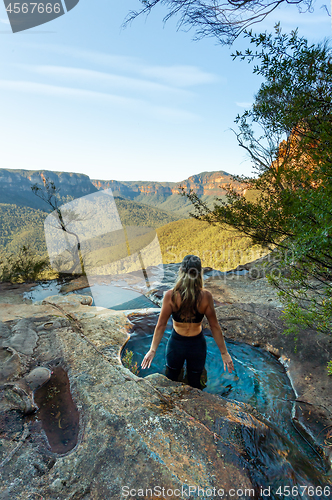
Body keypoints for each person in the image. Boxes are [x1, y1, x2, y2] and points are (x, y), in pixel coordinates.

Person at [141, 254, 234, 389]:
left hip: (176, 345)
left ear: (181, 271)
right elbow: (214, 327)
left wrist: (153, 349)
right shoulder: (206, 296)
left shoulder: (170, 295)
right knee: (196, 384)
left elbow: (161, 325)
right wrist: (224, 353)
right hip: (197, 346)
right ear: (199, 273)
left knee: (171, 381)